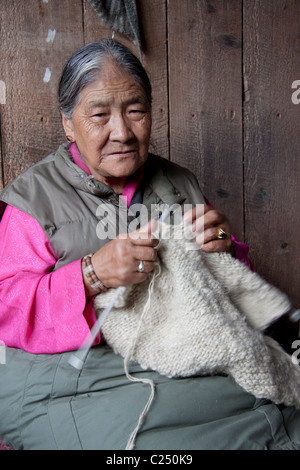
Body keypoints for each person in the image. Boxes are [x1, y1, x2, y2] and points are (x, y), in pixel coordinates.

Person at [0, 39, 251, 354]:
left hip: (179, 354)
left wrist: (225, 246)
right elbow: (7, 310)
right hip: (79, 374)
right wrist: (92, 274)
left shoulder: (180, 184)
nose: (122, 132)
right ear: (68, 123)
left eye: (135, 111)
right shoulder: (34, 200)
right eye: (100, 116)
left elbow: (235, 286)